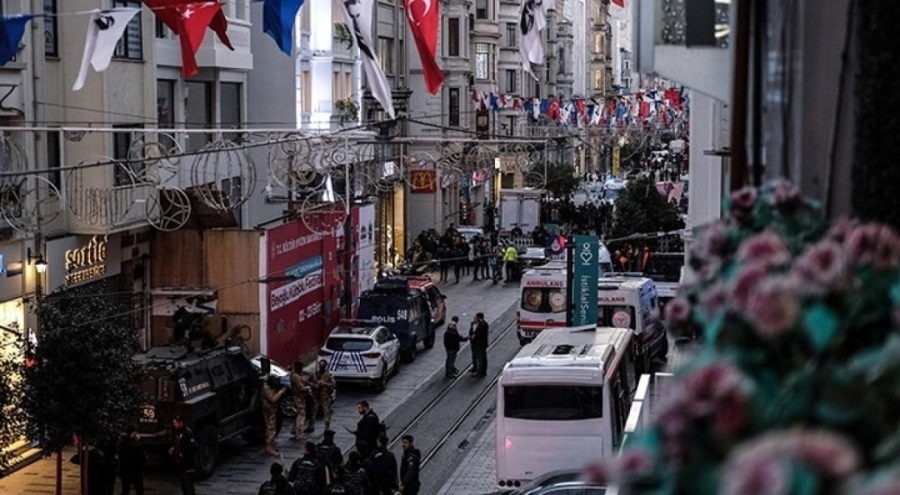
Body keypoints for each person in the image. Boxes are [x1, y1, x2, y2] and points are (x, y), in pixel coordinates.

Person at [168, 415, 197, 495]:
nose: (174, 424)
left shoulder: (188, 433)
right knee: (183, 486)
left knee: (189, 487)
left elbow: (193, 448)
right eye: (174, 423)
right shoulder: (175, 432)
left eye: (176, 423)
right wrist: (173, 448)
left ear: (181, 423)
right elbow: (175, 442)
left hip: (188, 464)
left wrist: (183, 455)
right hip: (180, 464)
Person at [262, 375, 288, 456]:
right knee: (271, 429)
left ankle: (272, 445)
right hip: (269, 411)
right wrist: (281, 392)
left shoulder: (269, 387)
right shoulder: (265, 388)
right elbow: (273, 399)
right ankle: (269, 447)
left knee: (273, 428)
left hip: (272, 411)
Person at [117, 424, 146, 495]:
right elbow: (142, 458)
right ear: (133, 433)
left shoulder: (120, 443)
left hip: (124, 470)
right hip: (136, 471)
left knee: (125, 490)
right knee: (139, 490)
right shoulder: (136, 445)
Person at [312, 359, 337, 432]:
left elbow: (333, 384)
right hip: (316, 395)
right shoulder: (314, 374)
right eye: (320, 365)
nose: (321, 366)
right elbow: (308, 382)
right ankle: (311, 425)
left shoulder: (329, 375)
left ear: (325, 366)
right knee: (313, 411)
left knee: (326, 412)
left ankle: (327, 427)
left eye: (323, 365)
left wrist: (324, 384)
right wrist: (314, 385)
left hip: (325, 396)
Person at [290, 361, 311, 441]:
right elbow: (301, 388)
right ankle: (299, 433)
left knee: (298, 414)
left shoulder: (295, 375)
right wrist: (308, 387)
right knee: (301, 415)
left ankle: (294, 430)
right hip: (298, 397)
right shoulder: (296, 376)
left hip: (298, 397)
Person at [470, 312, 489, 378]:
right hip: (474, 343)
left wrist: (474, 335)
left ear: (479, 318)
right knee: (475, 356)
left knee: (481, 358)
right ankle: (476, 368)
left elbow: (479, 333)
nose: (474, 319)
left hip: (481, 344)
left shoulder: (483, 324)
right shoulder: (473, 324)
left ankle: (481, 371)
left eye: (476, 318)